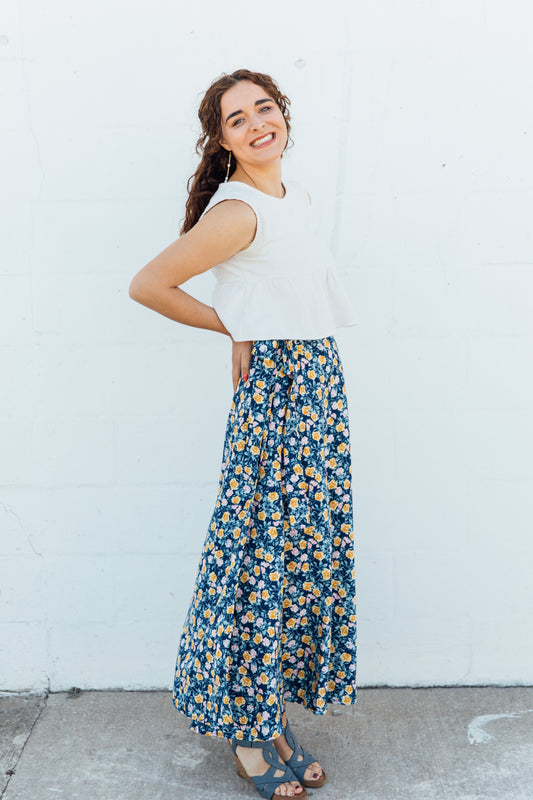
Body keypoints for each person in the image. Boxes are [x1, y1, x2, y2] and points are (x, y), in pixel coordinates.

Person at [129, 68, 357, 800]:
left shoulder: (298, 198)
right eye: (237, 118)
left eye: (265, 107)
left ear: (283, 114)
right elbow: (150, 285)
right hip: (279, 399)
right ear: (221, 139)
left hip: (317, 383)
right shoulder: (236, 211)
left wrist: (249, 318)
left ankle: (272, 717)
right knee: (257, 559)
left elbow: (280, 290)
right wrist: (236, 326)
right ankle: (249, 733)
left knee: (295, 559)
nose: (257, 122)